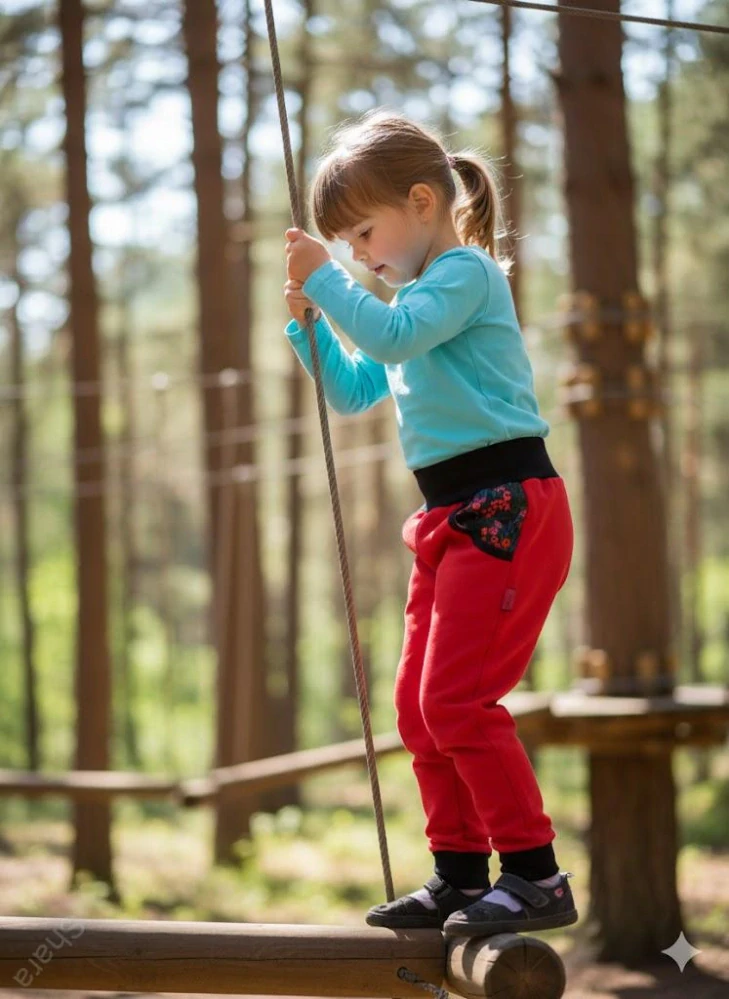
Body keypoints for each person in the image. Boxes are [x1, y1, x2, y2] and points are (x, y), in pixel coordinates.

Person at [282, 110, 577, 938]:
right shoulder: (414, 301)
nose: (358, 256)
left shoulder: (464, 276)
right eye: (345, 246)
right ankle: (458, 873)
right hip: (449, 514)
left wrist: (329, 283)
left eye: (363, 234)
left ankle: (535, 873)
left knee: (457, 698)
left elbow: (389, 335)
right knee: (419, 707)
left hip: (505, 504)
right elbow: (355, 387)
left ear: (421, 201)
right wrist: (308, 324)